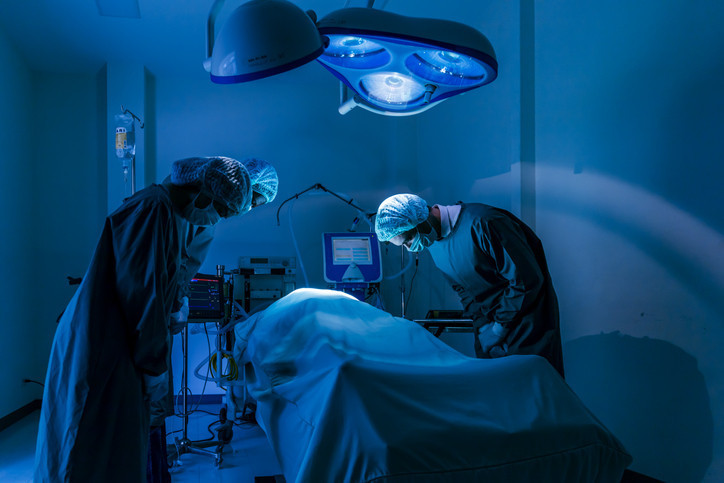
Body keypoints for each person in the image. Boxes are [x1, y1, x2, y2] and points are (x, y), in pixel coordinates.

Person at [34, 156, 255, 483]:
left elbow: (163, 282)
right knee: (83, 445)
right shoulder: (152, 209)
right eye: (220, 211)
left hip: (122, 343)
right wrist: (154, 366)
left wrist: (174, 307)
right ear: (203, 193)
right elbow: (143, 298)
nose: (216, 219)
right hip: (102, 341)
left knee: (114, 447)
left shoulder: (171, 214)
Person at [145, 157, 279, 483]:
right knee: (148, 404)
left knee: (153, 404)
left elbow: (179, 268)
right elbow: (160, 274)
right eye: (253, 201)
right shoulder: (163, 210)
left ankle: (156, 470)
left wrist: (176, 304)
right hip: (146, 323)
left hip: (157, 318)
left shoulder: (194, 214)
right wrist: (174, 306)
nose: (247, 209)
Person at [374, 194, 564, 377]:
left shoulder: (485, 222)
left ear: (421, 220)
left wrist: (500, 329)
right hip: (490, 329)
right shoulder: (434, 241)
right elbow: (464, 290)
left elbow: (525, 280)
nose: (409, 248)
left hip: (526, 325)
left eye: (408, 240)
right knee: (496, 391)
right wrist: (484, 329)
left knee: (533, 389)